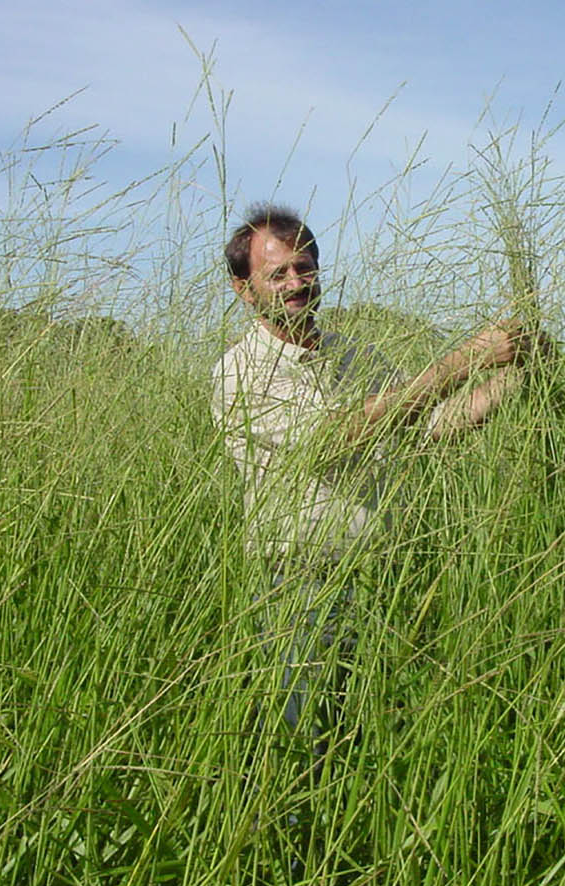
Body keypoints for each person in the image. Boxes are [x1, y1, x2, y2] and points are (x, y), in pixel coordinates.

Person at [211, 203, 542, 767]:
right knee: (309, 754)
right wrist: (460, 362)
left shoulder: (357, 357)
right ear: (244, 290)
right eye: (279, 274)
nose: (297, 283)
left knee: (374, 750)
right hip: (302, 591)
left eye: (306, 267)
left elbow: (430, 428)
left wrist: (514, 375)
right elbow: (334, 439)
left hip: (381, 583)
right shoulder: (240, 374)